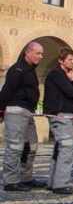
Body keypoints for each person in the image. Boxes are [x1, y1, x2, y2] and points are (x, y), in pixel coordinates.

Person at [0, 42, 44, 191]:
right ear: (28, 52)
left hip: (28, 112)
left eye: (42, 54)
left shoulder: (30, 70)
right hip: (16, 111)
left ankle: (26, 178)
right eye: (38, 53)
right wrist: (0, 110)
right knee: (15, 147)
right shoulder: (17, 69)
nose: (41, 57)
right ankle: (11, 181)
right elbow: (7, 90)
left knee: (31, 146)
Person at [43, 48, 73, 195]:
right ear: (61, 60)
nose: (72, 62)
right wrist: (71, 82)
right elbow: (72, 93)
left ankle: (52, 181)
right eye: (69, 59)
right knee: (67, 148)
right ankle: (60, 184)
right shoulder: (57, 75)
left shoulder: (68, 76)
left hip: (66, 115)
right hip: (59, 115)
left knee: (59, 148)